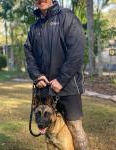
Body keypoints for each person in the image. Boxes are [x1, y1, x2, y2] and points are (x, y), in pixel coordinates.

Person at [24, 0, 89, 149]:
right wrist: (36, 75)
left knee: (75, 128)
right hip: (44, 89)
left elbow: (76, 52)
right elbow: (29, 54)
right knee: (48, 130)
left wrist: (61, 80)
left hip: (68, 86)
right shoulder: (34, 27)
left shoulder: (67, 18)